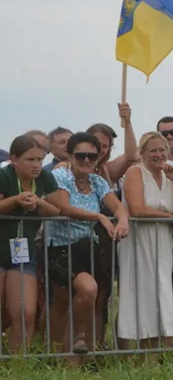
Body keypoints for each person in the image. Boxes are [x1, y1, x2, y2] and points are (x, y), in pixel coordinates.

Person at [46, 132, 130, 357]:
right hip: (60, 247)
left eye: (91, 157)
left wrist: (122, 219)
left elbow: (118, 206)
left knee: (80, 297)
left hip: (87, 248)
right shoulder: (60, 176)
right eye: (80, 155)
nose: (86, 161)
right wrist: (99, 217)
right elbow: (63, 207)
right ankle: (62, 350)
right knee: (69, 298)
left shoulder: (97, 181)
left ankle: (72, 356)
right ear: (71, 156)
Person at [116, 132, 173, 351]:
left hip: (162, 241)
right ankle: (130, 350)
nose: (159, 155)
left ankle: (159, 350)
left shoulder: (169, 176)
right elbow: (138, 209)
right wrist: (171, 218)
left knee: (161, 291)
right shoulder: (135, 172)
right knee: (140, 292)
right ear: (142, 153)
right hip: (138, 240)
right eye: (153, 150)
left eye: (163, 150)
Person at [0, 135, 61, 354]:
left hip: (22, 254)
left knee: (25, 312)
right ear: (14, 159)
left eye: (40, 159)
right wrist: (15, 200)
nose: (37, 165)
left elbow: (57, 210)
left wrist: (39, 202)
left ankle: (19, 365)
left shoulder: (45, 178)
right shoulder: (3, 175)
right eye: (31, 160)